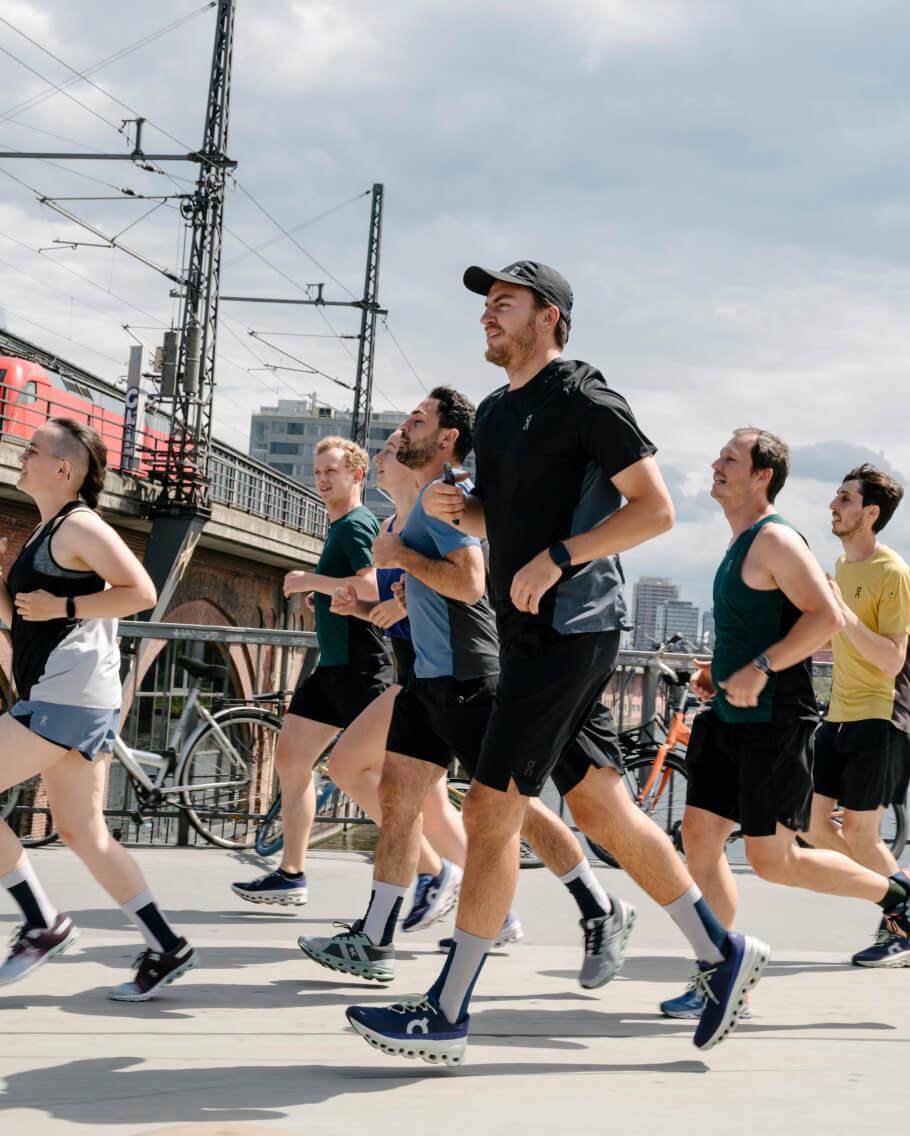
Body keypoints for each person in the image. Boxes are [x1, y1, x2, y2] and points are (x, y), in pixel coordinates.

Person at [346, 262, 769, 1066]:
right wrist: (459, 509)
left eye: (503, 305)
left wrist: (561, 557)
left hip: (574, 625)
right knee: (606, 811)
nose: (487, 319)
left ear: (549, 317)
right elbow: (495, 515)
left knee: (490, 809)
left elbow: (655, 509)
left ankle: (448, 1011)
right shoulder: (501, 413)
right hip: (528, 631)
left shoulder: (585, 397)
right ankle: (721, 955)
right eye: (484, 308)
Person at [300, 387, 628, 986]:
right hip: (426, 677)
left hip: (467, 677)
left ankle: (597, 906)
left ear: (445, 439)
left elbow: (472, 582)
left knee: (512, 810)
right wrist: (400, 600)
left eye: (414, 422)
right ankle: (374, 939)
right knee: (399, 801)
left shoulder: (437, 499)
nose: (399, 433)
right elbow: (441, 588)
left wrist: (401, 556)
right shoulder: (414, 505)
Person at [660, 431, 910, 1019]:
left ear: (762, 476)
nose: (715, 465)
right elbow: (755, 627)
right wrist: (718, 672)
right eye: (717, 455)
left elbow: (826, 616)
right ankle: (719, 973)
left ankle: (898, 895)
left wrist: (761, 667)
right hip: (729, 715)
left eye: (730, 460)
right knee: (698, 838)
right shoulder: (737, 542)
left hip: (775, 722)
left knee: (775, 860)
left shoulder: (776, 539)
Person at [0, 417, 195, 1000]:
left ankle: (41, 923)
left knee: (82, 831)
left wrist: (62, 602)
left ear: (63, 469)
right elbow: (25, 618)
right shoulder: (48, 529)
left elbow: (141, 591)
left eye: (31, 449)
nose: (21, 454)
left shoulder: (79, 524)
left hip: (69, 696)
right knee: (84, 832)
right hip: (67, 695)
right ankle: (166, 945)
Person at [232, 436, 392, 907]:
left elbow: (371, 584)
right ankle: (291, 873)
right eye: (319, 472)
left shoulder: (356, 524)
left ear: (356, 476)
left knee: (389, 780)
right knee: (290, 761)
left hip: (362, 669)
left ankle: (429, 867)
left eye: (332, 472)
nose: (322, 480)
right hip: (333, 668)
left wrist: (310, 581)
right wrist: (320, 595)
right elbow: (351, 590)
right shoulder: (340, 524)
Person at [324, 430, 468, 932]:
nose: (381, 458)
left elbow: (464, 591)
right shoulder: (390, 525)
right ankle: (486, 902)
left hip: (435, 675)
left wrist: (402, 599)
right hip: (414, 672)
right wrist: (359, 607)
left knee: (347, 766)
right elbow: (397, 614)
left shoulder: (427, 523)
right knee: (426, 802)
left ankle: (438, 877)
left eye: (386, 452)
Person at [806, 464, 910, 967]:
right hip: (838, 713)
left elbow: (892, 658)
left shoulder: (892, 571)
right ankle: (903, 900)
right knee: (812, 825)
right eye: (836, 495)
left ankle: (900, 926)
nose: (834, 504)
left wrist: (843, 615)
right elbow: (838, 638)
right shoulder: (842, 569)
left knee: (862, 836)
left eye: (845, 499)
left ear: (871, 513)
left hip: (881, 715)